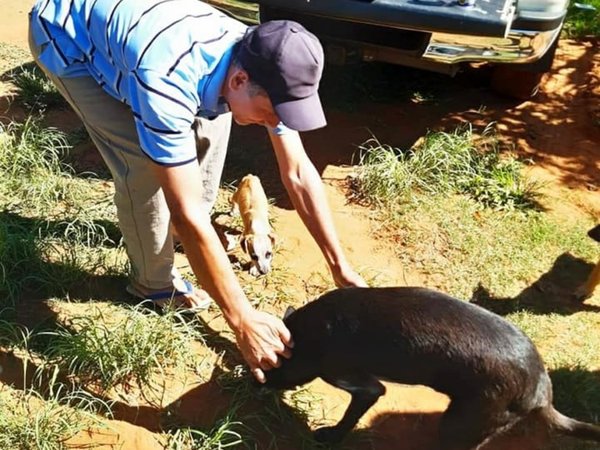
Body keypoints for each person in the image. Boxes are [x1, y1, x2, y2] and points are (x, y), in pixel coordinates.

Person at [28, 0, 367, 382]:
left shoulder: (263, 61)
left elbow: (300, 173)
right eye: (270, 112)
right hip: (68, 37)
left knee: (211, 124)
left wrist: (341, 266)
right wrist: (242, 320)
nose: (273, 123)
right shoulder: (166, 82)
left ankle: (183, 240)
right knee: (144, 168)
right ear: (239, 80)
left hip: (144, 36)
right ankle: (151, 285)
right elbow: (186, 208)